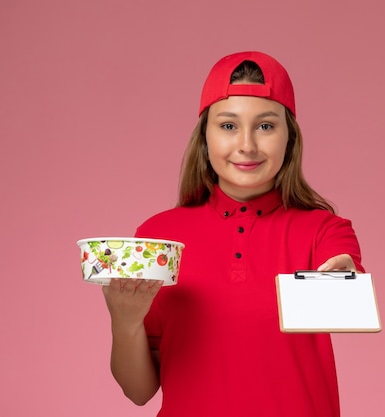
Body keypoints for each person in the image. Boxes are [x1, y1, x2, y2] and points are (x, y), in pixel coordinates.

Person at [102, 51, 365, 417]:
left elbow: (346, 299)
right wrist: (125, 322)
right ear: (204, 137)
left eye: (266, 126)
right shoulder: (157, 238)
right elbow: (138, 391)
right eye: (228, 126)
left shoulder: (325, 231)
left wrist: (338, 283)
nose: (247, 145)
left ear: (289, 138)